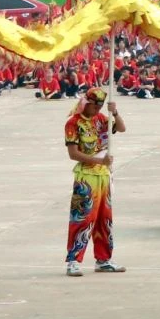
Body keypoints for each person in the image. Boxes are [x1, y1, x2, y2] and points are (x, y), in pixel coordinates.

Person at [64, 87, 125, 276]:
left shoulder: (101, 120)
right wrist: (100, 160)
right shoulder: (73, 123)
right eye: (94, 105)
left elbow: (121, 128)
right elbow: (73, 154)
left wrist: (114, 112)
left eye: (100, 106)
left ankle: (104, 259)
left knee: (104, 220)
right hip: (86, 178)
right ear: (86, 103)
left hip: (103, 176)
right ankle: (73, 260)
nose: (97, 109)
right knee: (82, 218)